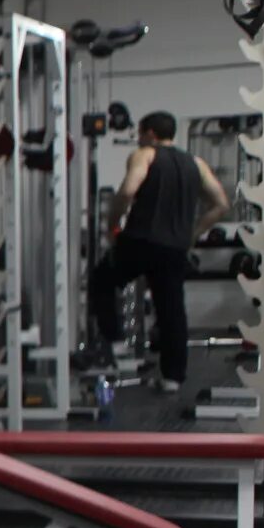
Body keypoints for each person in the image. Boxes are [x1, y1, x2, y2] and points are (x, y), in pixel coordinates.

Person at [89, 111, 227, 384]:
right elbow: (221, 205)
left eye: (140, 135)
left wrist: (112, 226)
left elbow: (127, 191)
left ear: (150, 134)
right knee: (172, 309)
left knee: (101, 282)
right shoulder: (196, 163)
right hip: (175, 247)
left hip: (141, 241)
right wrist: (192, 234)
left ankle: (116, 344)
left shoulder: (145, 155)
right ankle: (172, 378)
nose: (139, 140)